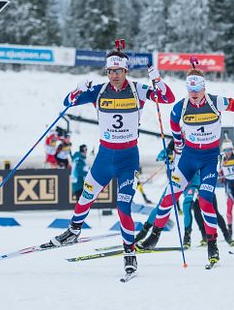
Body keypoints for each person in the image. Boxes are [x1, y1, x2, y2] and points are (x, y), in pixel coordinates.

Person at [49, 44, 175, 277]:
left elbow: (167, 98)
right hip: (105, 157)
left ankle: (130, 254)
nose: (114, 76)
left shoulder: (138, 89)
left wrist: (156, 77)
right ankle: (73, 230)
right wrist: (78, 90)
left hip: (128, 159)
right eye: (110, 71)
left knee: (123, 207)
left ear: (126, 71)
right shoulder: (98, 90)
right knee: (87, 195)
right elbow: (67, 103)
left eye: (118, 71)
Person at [138, 67, 234, 266]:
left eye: (197, 88)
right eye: (190, 88)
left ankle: (212, 244)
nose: (194, 93)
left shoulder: (215, 101)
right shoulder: (181, 107)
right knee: (170, 195)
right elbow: (174, 125)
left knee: (204, 201)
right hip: (188, 158)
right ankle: (154, 236)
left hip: (209, 159)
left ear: (204, 87)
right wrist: (177, 146)